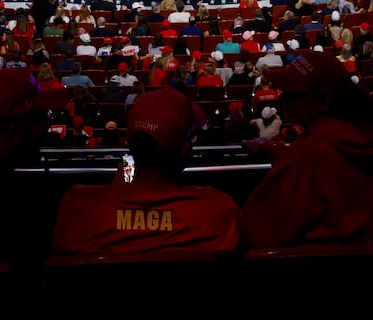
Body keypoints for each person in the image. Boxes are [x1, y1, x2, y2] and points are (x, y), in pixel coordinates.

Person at [51, 87, 240, 255]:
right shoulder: (219, 211)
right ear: (184, 150)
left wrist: (117, 192)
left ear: (129, 143)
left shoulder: (76, 207)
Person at [242, 50, 373, 247]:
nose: (283, 101)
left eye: (293, 95)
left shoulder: (308, 153)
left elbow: (258, 229)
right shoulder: (360, 138)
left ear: (323, 102)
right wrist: (278, 152)